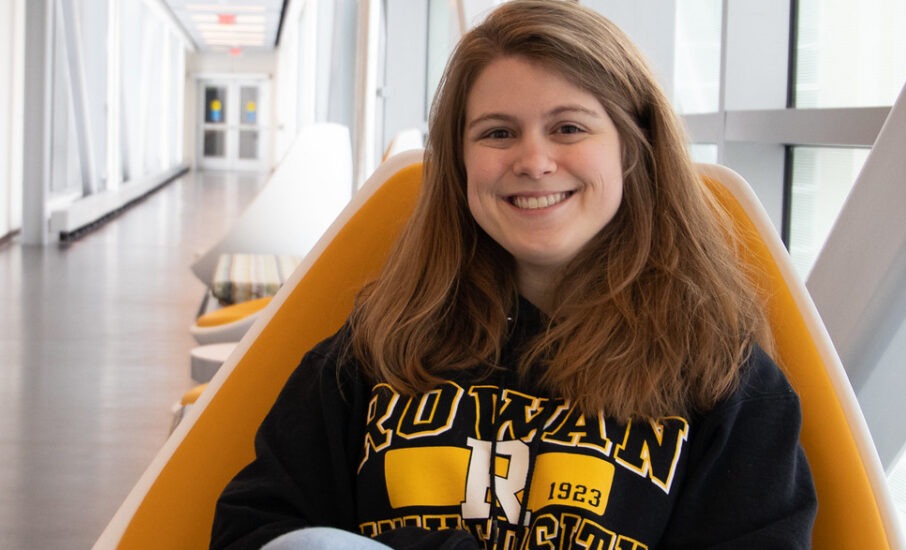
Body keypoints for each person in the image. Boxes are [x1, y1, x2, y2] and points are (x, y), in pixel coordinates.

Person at [212, 1, 817, 548]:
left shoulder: (725, 381)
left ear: (634, 149)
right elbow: (253, 529)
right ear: (460, 162)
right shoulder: (377, 349)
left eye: (569, 128)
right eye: (498, 133)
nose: (533, 161)